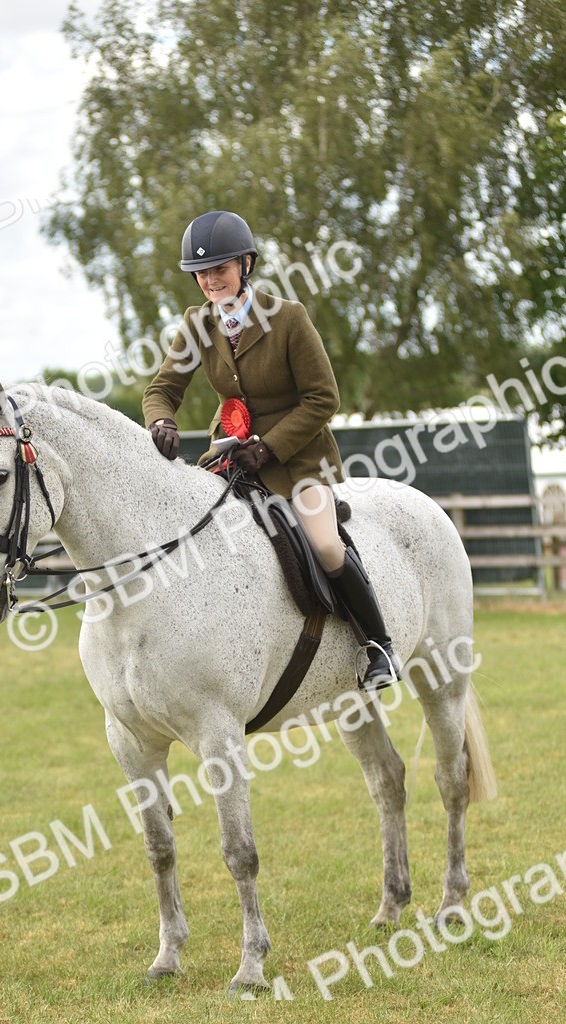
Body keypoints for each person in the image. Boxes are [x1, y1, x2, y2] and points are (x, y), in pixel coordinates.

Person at [142, 209, 400, 691]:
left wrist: (270, 447)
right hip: (232, 458)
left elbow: (324, 398)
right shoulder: (197, 324)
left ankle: (379, 644)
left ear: (245, 264)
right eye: (201, 272)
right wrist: (161, 422)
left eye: (219, 268)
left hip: (300, 460)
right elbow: (162, 389)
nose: (210, 280)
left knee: (325, 543)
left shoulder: (288, 318)